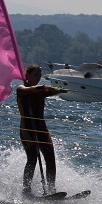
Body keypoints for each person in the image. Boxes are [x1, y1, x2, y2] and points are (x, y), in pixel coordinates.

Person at [17, 64, 67, 195]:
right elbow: (33, 89)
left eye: (40, 75)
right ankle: (26, 189)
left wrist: (58, 90)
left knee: (50, 158)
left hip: (41, 128)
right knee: (32, 158)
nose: (38, 77)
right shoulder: (21, 89)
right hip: (27, 128)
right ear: (27, 76)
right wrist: (45, 88)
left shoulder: (41, 91)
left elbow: (48, 91)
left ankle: (51, 189)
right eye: (35, 75)